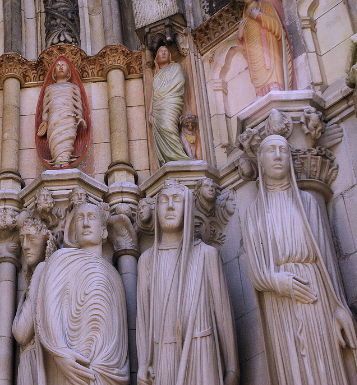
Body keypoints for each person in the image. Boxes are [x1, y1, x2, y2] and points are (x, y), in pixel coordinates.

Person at [242, 135, 357, 384]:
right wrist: (275, 280)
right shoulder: (255, 213)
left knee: (325, 360)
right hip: (280, 299)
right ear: (260, 161)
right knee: (294, 366)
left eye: (283, 150)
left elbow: (326, 259)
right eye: (270, 150)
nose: (277, 155)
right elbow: (255, 268)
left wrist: (338, 306)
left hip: (316, 292)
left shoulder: (307, 203)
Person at [136, 179, 239, 385]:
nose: (171, 206)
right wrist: (143, 362)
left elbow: (223, 313)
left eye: (177, 200)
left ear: (189, 208)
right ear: (156, 210)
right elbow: (143, 319)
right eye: (164, 201)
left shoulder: (206, 254)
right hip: (163, 355)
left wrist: (232, 367)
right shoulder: (147, 260)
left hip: (202, 351)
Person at [34, 202, 130, 384]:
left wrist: (117, 368)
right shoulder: (61, 259)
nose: (86, 223)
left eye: (92, 218)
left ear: (104, 232)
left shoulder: (115, 276)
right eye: (80, 218)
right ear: (74, 232)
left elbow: (120, 331)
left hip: (108, 369)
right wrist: (60, 351)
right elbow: (49, 307)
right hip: (71, 362)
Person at [13, 217, 57, 385]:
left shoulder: (42, 269)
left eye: (31, 239)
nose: (25, 246)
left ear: (46, 241)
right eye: (22, 239)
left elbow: (21, 333)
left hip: (37, 360)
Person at [237, 0, 294, 97]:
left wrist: (259, 16)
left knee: (270, 62)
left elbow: (278, 28)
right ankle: (261, 92)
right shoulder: (244, 17)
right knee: (257, 67)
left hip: (268, 46)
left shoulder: (266, 6)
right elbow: (244, 49)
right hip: (254, 52)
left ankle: (275, 85)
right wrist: (240, 35)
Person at [37, 56, 87, 167]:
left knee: (66, 138)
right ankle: (58, 160)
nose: (60, 67)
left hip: (69, 118)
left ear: (69, 71)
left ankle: (64, 160)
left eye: (63, 65)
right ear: (54, 71)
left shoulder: (74, 87)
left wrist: (79, 118)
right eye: (58, 65)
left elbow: (78, 105)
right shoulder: (49, 89)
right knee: (55, 138)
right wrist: (45, 121)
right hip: (54, 118)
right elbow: (46, 107)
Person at [149, 46, 192, 166]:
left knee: (169, 127)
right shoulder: (156, 75)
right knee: (162, 129)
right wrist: (150, 112)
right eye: (161, 52)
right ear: (156, 57)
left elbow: (179, 81)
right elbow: (154, 93)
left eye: (166, 52)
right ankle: (169, 159)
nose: (163, 54)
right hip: (158, 108)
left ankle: (179, 156)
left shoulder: (175, 67)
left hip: (170, 103)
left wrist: (163, 93)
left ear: (170, 56)